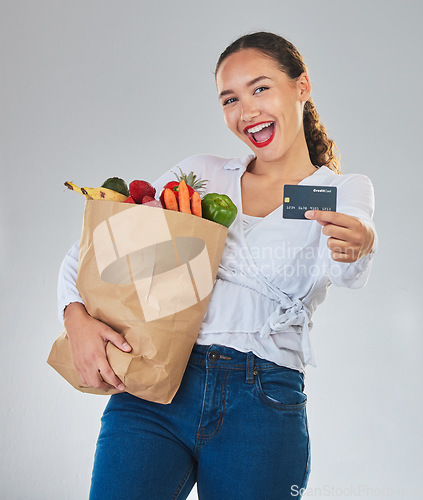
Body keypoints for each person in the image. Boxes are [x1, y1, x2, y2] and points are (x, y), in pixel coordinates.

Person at [57, 31, 377, 499]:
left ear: (302, 86)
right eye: (230, 98)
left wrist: (359, 245)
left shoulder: (339, 190)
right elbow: (98, 244)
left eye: (261, 87)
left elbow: (348, 268)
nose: (246, 110)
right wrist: (75, 316)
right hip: (157, 384)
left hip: (264, 400)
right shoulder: (202, 175)